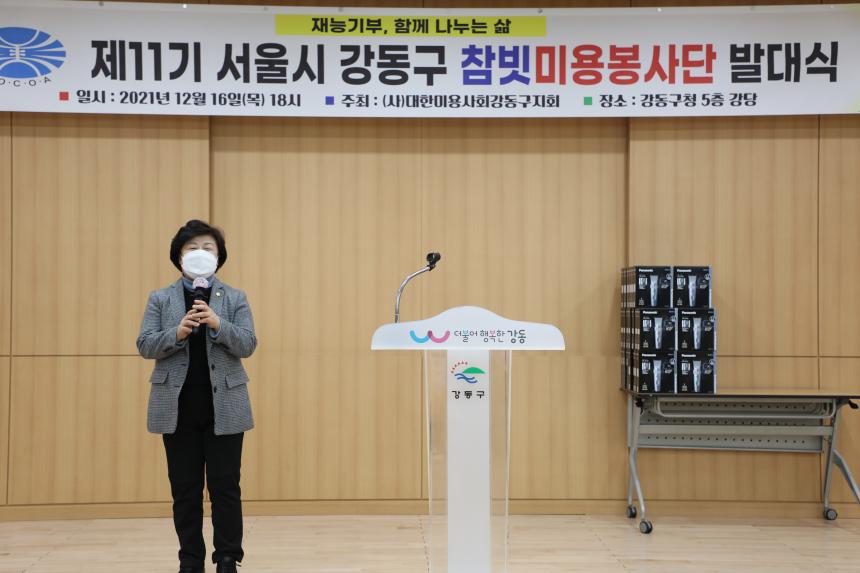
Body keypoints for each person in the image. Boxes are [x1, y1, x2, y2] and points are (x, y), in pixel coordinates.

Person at [137, 220, 256, 573]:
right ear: (178, 256)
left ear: (219, 257)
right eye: (191, 248)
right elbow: (145, 345)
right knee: (185, 489)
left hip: (225, 405)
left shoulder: (234, 297)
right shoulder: (160, 298)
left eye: (207, 247)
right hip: (177, 407)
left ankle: (227, 558)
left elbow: (248, 344)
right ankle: (190, 560)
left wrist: (218, 324)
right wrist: (176, 333)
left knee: (225, 486)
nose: (199, 253)